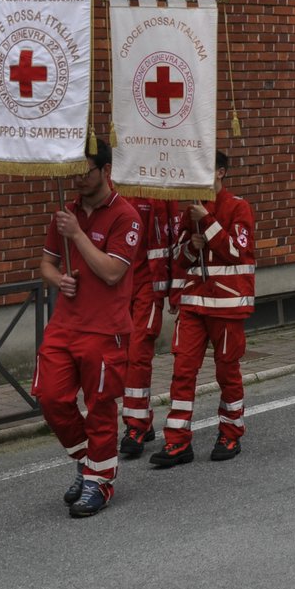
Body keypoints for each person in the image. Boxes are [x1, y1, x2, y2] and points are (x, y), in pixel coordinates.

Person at [33, 141, 142, 517]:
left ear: (105, 171)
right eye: (74, 171)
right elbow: (46, 264)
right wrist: (57, 280)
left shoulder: (126, 216)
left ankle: (101, 481)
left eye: (86, 171)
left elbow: (113, 273)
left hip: (104, 328)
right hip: (65, 324)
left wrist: (78, 234)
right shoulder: (67, 213)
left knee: (99, 407)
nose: (78, 178)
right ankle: (87, 460)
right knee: (50, 397)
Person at [151, 150, 256, 466]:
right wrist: (190, 246)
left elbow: (236, 252)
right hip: (194, 304)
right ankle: (178, 441)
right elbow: (180, 259)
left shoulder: (238, 207)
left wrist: (207, 223)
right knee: (182, 370)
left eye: (206, 169)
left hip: (227, 306)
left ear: (221, 172)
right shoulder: (190, 212)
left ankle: (230, 432)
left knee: (227, 372)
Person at [118, 195, 180, 458]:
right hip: (117, 286)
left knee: (138, 354)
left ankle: (135, 426)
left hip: (148, 286)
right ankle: (142, 417)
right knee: (120, 358)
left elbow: (174, 241)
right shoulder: (111, 187)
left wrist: (175, 290)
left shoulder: (159, 186)